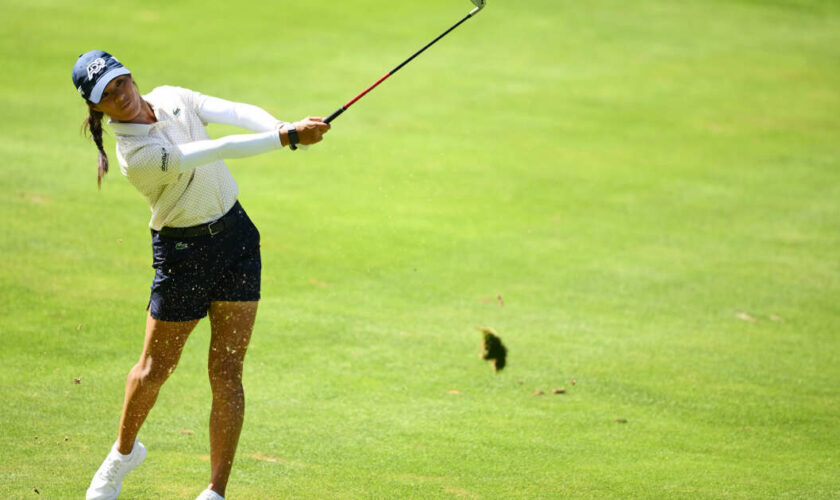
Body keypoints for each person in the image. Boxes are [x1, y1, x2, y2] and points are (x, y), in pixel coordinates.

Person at [73, 50, 330, 500]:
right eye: (107, 97)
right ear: (97, 108)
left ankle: (215, 492)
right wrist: (287, 137)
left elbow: (231, 112)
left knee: (227, 371)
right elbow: (220, 148)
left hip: (237, 243)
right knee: (155, 370)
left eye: (121, 84)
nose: (121, 98)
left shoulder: (171, 96)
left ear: (130, 76)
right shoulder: (138, 154)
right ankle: (122, 455)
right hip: (183, 256)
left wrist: (278, 126)